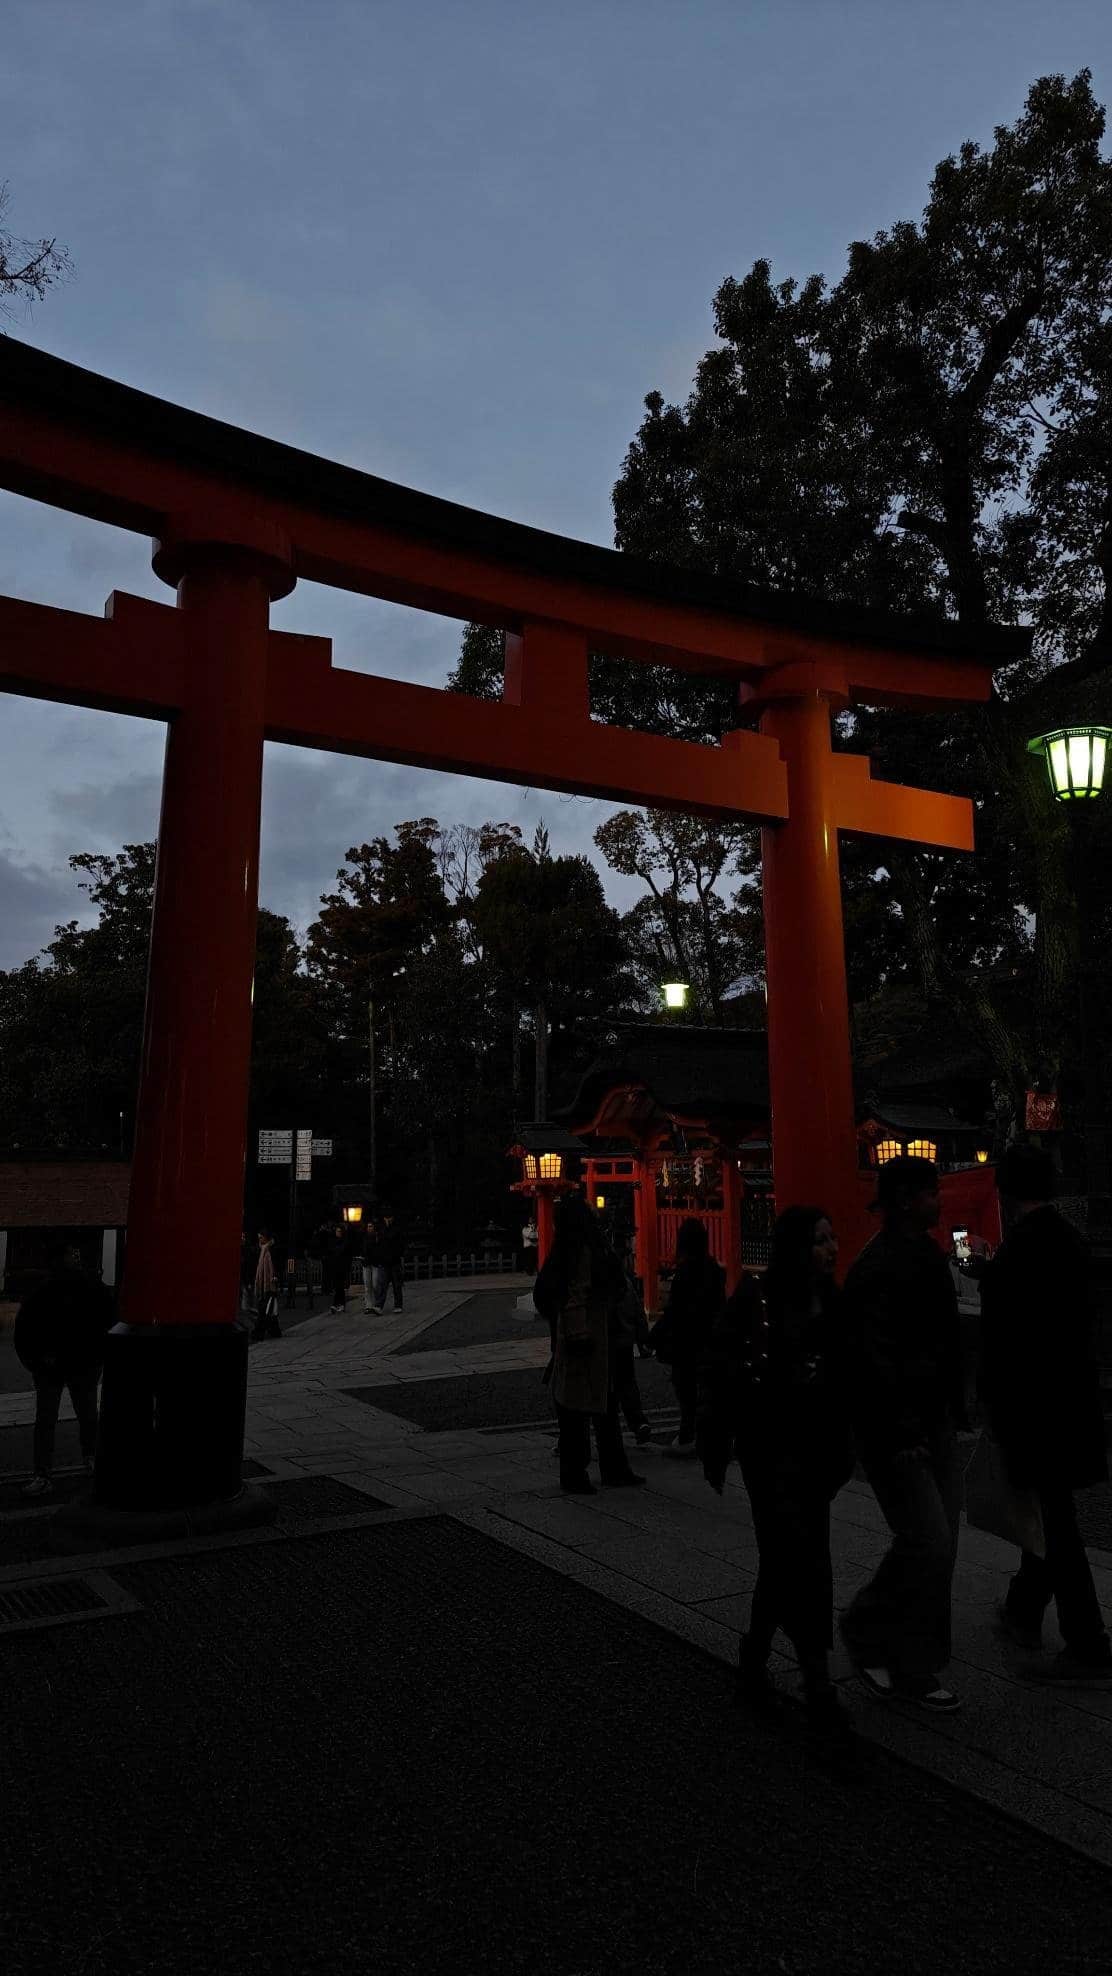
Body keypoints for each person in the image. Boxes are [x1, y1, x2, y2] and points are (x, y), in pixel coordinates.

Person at [697, 1207, 855, 1742]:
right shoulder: (757, 1298)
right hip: (769, 1450)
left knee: (790, 1560)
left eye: (832, 1238)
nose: (831, 1248)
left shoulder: (833, 1302)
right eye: (819, 1240)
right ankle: (818, 1683)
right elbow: (720, 1367)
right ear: (795, 1247)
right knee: (799, 1559)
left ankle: (756, 1652)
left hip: (815, 1452)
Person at [977, 1143, 1112, 1680]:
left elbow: (1003, 1346)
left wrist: (994, 1409)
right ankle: (1023, 1608)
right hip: (1071, 1401)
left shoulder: (1016, 1255)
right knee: (1052, 1515)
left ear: (1005, 1192)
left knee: (1055, 1524)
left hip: (1034, 1410)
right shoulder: (1071, 1243)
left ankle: (1087, 1639)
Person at [839, 1156, 967, 1713]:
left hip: (930, 1420)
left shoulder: (917, 1258)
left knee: (941, 1545)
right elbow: (875, 1360)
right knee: (929, 1539)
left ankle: (916, 1652)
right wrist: (904, 1427)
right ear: (911, 1200)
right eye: (933, 1193)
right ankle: (875, 1632)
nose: (941, 1201)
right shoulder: (880, 1268)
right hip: (900, 1428)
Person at [534, 1193, 646, 1494]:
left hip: (569, 1335)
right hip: (591, 1334)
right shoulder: (588, 1249)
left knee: (575, 1408)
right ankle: (609, 1467)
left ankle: (578, 1470)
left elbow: (552, 1294)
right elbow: (584, 1290)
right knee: (601, 1404)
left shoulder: (561, 1252)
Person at [14, 1244, 115, 1495]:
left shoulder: (41, 1292)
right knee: (87, 1415)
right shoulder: (92, 1288)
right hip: (82, 1365)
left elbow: (24, 1331)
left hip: (55, 1367)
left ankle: (43, 1473)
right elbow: (109, 1321)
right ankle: (90, 1460)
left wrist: (37, 1361)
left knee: (47, 1420)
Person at [658, 1218, 725, 1456]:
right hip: (708, 1337)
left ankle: (688, 1434)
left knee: (686, 1391)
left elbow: (675, 1309)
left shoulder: (684, 1272)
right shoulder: (715, 1270)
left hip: (686, 1339)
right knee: (707, 1389)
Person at [612, 1263, 653, 1445]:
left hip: (605, 1343)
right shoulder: (626, 1283)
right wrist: (643, 1339)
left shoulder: (595, 1282)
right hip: (625, 1341)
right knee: (627, 1384)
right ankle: (638, 1423)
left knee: (604, 1390)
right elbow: (637, 1311)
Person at [371, 1209, 405, 1312]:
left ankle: (398, 1305)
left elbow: (400, 1244)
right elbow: (379, 1244)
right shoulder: (382, 1230)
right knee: (381, 1285)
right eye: (386, 1218)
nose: (388, 1220)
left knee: (396, 1285)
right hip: (384, 1261)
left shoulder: (397, 1229)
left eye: (389, 1218)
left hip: (394, 1260)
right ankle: (379, 1305)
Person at [252, 1228, 282, 1340]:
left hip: (270, 1284)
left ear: (266, 1237)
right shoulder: (261, 1250)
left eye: (261, 1237)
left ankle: (258, 1333)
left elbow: (276, 1264)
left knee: (264, 1309)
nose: (259, 1239)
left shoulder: (271, 1249)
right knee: (268, 1310)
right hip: (264, 1284)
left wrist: (275, 1277)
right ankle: (274, 1331)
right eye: (258, 1237)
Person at [324, 1222, 351, 1314]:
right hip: (335, 1266)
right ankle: (339, 1304)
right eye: (337, 1231)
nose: (338, 1233)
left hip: (342, 1267)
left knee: (340, 1286)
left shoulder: (344, 1241)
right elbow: (332, 1251)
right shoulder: (334, 1241)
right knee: (337, 1286)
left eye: (339, 1231)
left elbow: (341, 1251)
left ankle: (338, 1304)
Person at [361, 1215, 380, 1313]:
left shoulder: (377, 1237)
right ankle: (368, 1305)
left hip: (375, 1262)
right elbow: (363, 1249)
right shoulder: (364, 1238)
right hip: (366, 1262)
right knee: (367, 1285)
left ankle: (377, 1303)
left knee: (375, 1283)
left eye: (371, 1226)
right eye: (368, 1226)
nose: (369, 1228)